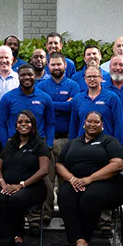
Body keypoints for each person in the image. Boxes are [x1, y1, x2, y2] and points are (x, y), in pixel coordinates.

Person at [56, 111, 123, 246]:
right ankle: (78, 239)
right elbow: (59, 164)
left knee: (90, 196)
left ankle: (86, 237)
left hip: (108, 182)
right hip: (77, 181)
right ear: (84, 124)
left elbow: (118, 164)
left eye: (96, 122)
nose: (92, 125)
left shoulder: (109, 141)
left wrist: (90, 178)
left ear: (102, 125)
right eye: (89, 121)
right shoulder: (73, 143)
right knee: (64, 195)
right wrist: (71, 178)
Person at [0, 110, 51, 246]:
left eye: (27, 122)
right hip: (8, 185)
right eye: (20, 122)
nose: (23, 125)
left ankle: (18, 236)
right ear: (16, 125)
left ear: (33, 125)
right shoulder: (10, 144)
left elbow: (44, 170)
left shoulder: (39, 144)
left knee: (16, 199)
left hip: (33, 187)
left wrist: (21, 185)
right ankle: (5, 236)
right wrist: (2, 183)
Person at [37, 52, 81, 222]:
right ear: (48, 66)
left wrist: (51, 104)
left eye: (59, 64)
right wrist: (63, 104)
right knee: (46, 180)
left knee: (66, 180)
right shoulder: (41, 86)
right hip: (46, 139)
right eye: (53, 64)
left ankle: (66, 212)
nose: (56, 67)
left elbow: (73, 107)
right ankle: (46, 214)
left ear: (65, 66)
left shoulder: (73, 85)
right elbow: (42, 108)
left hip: (66, 139)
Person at [0, 63, 55, 147]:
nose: (27, 77)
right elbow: (1, 124)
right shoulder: (7, 98)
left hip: (38, 144)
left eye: (30, 74)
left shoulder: (45, 98)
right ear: (18, 77)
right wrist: (5, 144)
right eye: (23, 75)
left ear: (35, 76)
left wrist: (49, 145)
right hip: (14, 144)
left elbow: (50, 123)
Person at [69, 66, 123, 141]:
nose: (92, 79)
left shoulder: (112, 98)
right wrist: (71, 146)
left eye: (95, 76)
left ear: (101, 78)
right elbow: (74, 125)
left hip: (105, 144)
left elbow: (118, 125)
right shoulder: (78, 99)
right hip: (83, 145)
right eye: (89, 77)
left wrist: (117, 147)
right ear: (85, 79)